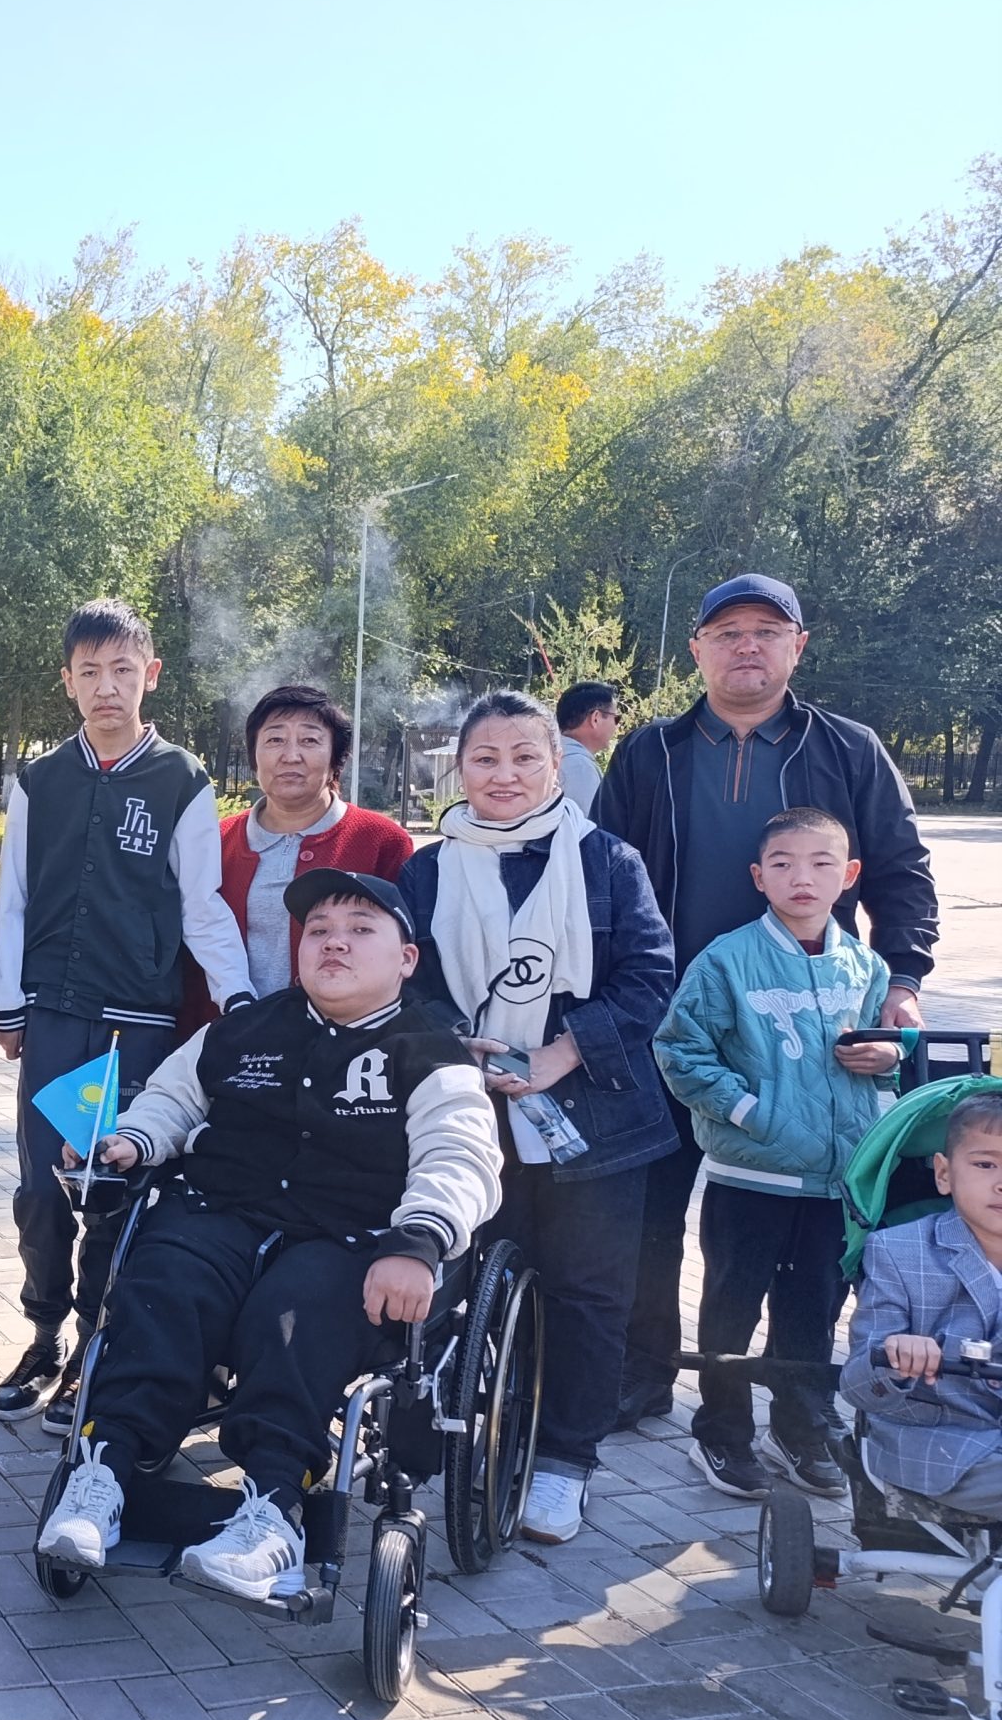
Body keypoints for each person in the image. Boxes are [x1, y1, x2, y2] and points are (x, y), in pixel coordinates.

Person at [34, 871, 501, 1600]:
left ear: (406, 958)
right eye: (319, 930)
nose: (335, 943)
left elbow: (460, 1156)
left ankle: (274, 1508)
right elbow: (171, 1100)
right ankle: (106, 1473)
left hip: (348, 1237)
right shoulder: (242, 1029)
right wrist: (131, 1141)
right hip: (220, 1211)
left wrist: (419, 1242)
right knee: (163, 1281)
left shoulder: (431, 1053)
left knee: (296, 1312)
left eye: (360, 929)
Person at [597, 572, 938, 1430]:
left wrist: (901, 984)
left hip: (807, 1037)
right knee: (650, 1212)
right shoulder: (650, 752)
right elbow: (602, 877)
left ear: (797, 645)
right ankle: (645, 1369)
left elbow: (902, 872)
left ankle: (799, 1395)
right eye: (727, 632)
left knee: (807, 1234)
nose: (746, 645)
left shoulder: (850, 749)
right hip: (671, 1026)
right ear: (698, 649)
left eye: (766, 630)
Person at [398, 690, 676, 1544]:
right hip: (471, 1108)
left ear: (557, 765)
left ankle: (565, 1460)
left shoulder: (607, 860)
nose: (505, 774)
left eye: (526, 757)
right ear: (460, 770)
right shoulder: (428, 870)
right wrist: (455, 1045)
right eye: (485, 758)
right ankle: (469, 1431)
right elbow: (406, 981)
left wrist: (564, 1052)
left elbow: (650, 976)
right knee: (468, 1279)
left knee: (588, 1293)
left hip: (594, 1113)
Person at [0, 599, 252, 1430]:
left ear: (151, 675)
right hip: (53, 1014)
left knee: (106, 1186)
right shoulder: (40, 781)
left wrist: (240, 999)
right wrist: (5, 1000)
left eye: (123, 671)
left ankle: (94, 1348)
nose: (107, 688)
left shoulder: (181, 780)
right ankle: (43, 1332)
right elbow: (13, 899)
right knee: (41, 1189)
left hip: (133, 1023)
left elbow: (202, 903)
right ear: (68, 681)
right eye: (90, 672)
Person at [654, 807, 898, 1498]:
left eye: (822, 863)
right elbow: (679, 1051)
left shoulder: (865, 966)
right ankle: (722, 1433)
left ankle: (798, 1427)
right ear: (759, 877)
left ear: (849, 876)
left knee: (813, 1310)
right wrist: (751, 1113)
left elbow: (887, 1059)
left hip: (835, 1182)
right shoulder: (727, 960)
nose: (802, 877)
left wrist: (886, 1060)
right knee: (730, 1308)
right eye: (784, 864)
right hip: (750, 1176)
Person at [840, 1093, 1002, 1522]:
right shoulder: (898, 1251)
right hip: (943, 1444)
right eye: (986, 1164)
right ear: (944, 1173)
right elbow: (856, 1385)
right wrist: (896, 1356)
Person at [205, 686, 413, 1011]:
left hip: (345, 1033)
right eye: (275, 739)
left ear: (335, 759)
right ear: (254, 755)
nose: (291, 755)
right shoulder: (215, 843)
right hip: (225, 1030)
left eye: (310, 740)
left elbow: (404, 950)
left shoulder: (382, 841)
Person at [554, 680, 618, 817]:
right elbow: (588, 825)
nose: (616, 726)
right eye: (616, 719)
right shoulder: (580, 767)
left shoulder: (550, 755)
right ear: (596, 718)